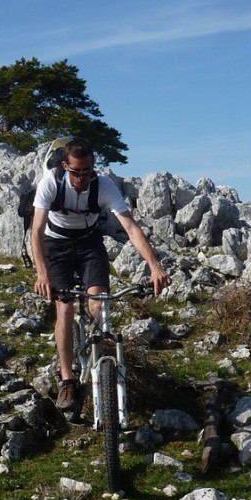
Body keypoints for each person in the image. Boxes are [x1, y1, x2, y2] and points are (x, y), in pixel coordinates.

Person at [31, 137, 171, 412]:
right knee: (65, 308)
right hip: (56, 244)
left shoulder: (103, 185)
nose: (82, 178)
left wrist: (155, 265)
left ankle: (101, 368)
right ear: (64, 166)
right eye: (76, 172)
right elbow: (36, 230)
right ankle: (68, 380)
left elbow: (131, 228)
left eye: (87, 171)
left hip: (88, 243)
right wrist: (42, 274)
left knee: (98, 303)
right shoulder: (50, 182)